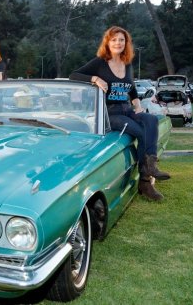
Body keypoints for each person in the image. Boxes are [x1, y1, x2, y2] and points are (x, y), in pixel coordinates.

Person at [69, 26, 170, 201]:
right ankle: (145, 181)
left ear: (126, 43)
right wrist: (95, 78)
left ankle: (149, 169)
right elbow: (73, 75)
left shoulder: (127, 63)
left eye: (121, 40)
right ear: (107, 42)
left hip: (127, 109)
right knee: (140, 131)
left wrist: (137, 104)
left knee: (151, 120)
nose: (118, 43)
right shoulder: (99, 63)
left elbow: (130, 88)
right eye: (114, 39)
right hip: (110, 112)